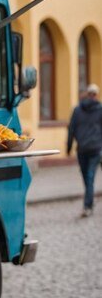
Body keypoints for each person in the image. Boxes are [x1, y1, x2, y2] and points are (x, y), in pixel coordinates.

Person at [67, 84, 102, 217]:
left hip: (82, 149)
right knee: (89, 177)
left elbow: (71, 129)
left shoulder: (77, 110)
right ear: (96, 95)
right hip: (95, 148)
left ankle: (88, 205)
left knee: (87, 176)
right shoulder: (100, 109)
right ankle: (89, 203)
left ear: (87, 94)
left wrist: (69, 148)